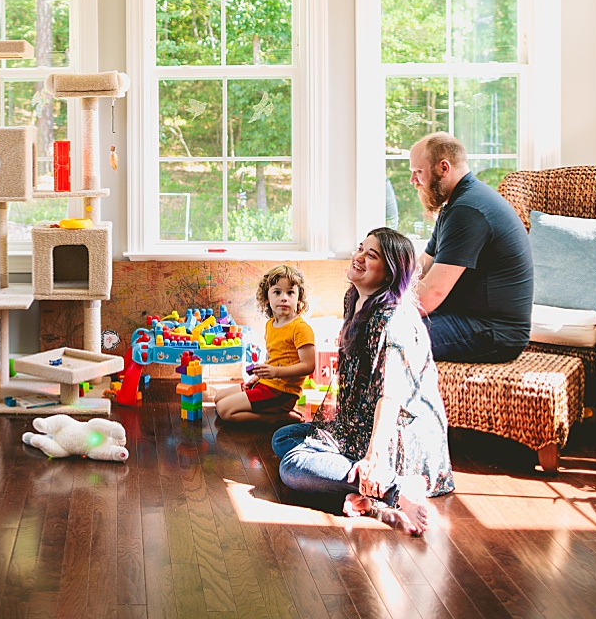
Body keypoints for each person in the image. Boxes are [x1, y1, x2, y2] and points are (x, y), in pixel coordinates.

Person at [272, 228, 453, 536]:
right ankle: (364, 494)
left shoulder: (391, 319)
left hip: (398, 434)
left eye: (371, 255)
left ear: (389, 273)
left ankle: (395, 490)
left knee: (292, 466)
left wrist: (374, 457)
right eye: (360, 248)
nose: (359, 257)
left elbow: (390, 395)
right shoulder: (354, 298)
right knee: (284, 437)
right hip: (360, 423)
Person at [410, 132, 534, 363]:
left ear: (443, 168)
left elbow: (430, 295)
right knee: (376, 324)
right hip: (467, 319)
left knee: (385, 337)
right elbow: (423, 264)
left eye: (418, 172)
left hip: (493, 332)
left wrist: (386, 312)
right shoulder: (455, 205)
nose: (412, 181)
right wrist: (387, 292)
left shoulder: (469, 210)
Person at [215, 265, 316, 425]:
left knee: (224, 410)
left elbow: (309, 366)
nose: (284, 298)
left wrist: (275, 372)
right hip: (267, 383)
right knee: (218, 398)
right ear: (267, 298)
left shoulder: (301, 328)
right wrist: (257, 377)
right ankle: (271, 410)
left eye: (290, 293)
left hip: (282, 392)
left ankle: (279, 418)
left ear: (299, 298)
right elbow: (273, 359)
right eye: (277, 292)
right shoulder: (271, 324)